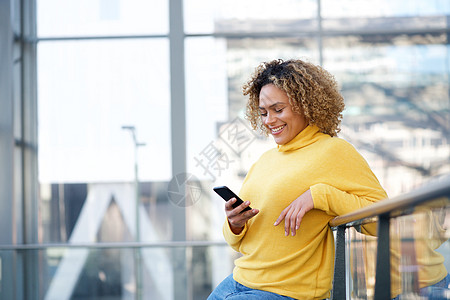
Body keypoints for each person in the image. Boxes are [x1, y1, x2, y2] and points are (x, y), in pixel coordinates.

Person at [207, 58, 388, 300]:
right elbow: (239, 244)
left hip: (287, 292)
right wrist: (235, 224)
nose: (269, 120)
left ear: (306, 105)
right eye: (263, 113)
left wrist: (320, 195)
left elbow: (381, 219)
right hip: (239, 281)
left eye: (278, 110)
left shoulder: (333, 151)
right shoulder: (264, 161)